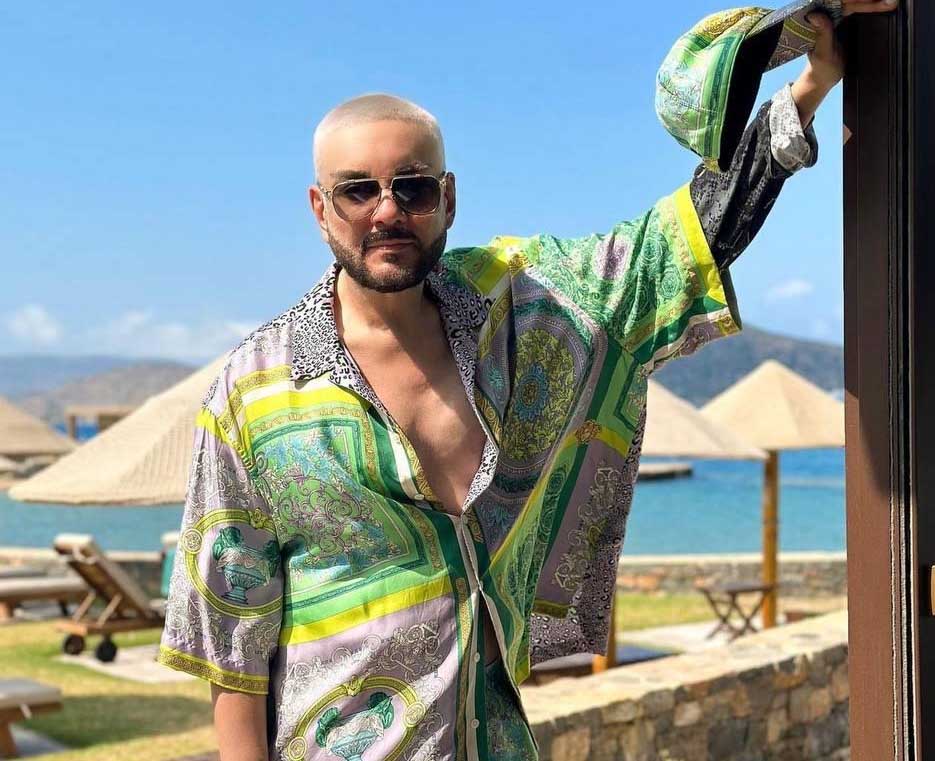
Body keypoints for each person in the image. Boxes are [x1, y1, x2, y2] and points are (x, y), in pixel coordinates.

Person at [157, 2, 896, 759]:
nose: (387, 212)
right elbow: (231, 647)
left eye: (412, 188)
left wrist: (809, 86)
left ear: (448, 199)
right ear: (320, 208)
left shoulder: (523, 314)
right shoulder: (253, 392)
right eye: (357, 190)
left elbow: (669, 251)